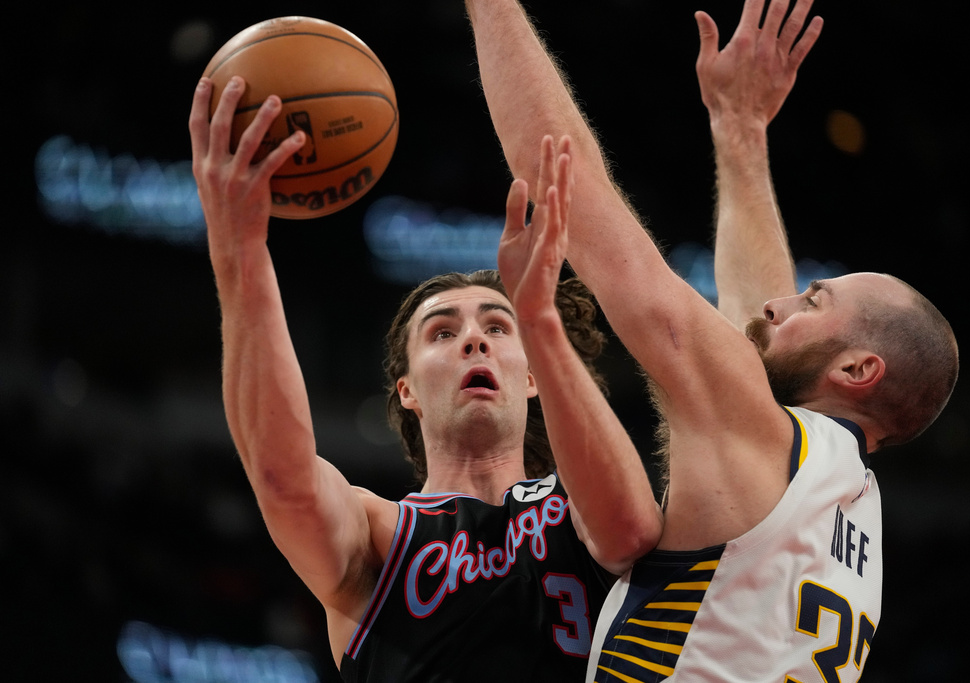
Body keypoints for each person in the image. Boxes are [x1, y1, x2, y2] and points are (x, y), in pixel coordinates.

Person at [463, 0, 959, 680]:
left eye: (814, 299)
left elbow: (569, 192)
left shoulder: (763, 434)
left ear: (858, 367)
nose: (780, 304)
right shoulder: (849, 506)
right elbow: (756, 321)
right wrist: (740, 127)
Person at [187, 70, 661, 682]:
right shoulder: (375, 534)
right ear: (406, 390)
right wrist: (240, 250)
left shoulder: (583, 507)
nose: (472, 338)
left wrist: (539, 316)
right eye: (442, 332)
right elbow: (282, 477)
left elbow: (629, 528)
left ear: (536, 374)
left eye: (498, 326)